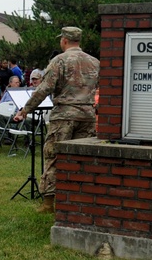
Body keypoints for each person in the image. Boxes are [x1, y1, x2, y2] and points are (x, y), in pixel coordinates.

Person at [14, 26, 100, 214]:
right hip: (87, 116)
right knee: (81, 158)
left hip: (64, 116)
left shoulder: (59, 61)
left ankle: (48, 203)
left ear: (64, 40)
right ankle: (79, 199)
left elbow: (44, 88)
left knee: (54, 156)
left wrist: (25, 110)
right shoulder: (94, 62)